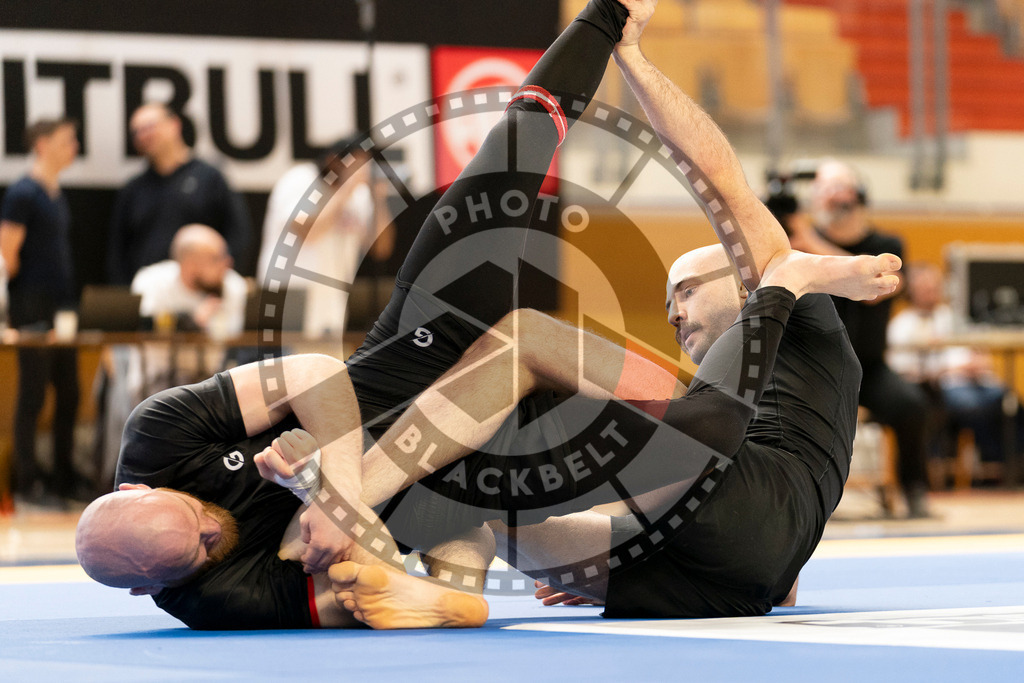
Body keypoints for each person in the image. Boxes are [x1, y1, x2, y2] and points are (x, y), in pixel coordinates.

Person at [76, 0, 900, 628]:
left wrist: (340, 491)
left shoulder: (159, 435)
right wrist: (360, 525)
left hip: (415, 349)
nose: (220, 530)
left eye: (685, 293)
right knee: (490, 480)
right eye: (204, 547)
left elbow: (319, 377)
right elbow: (342, 589)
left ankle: (607, 11)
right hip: (470, 468)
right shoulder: (209, 594)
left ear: (154, 486)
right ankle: (451, 588)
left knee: (509, 160)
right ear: (159, 585)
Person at [785, 158, 931, 518]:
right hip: (819, 367)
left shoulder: (886, 242)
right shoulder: (799, 245)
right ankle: (799, 500)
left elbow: (875, 287)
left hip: (870, 368)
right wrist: (798, 236)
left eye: (842, 187)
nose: (835, 197)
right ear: (815, 199)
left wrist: (809, 237)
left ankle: (914, 492)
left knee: (911, 406)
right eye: (826, 190)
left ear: (860, 193)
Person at [1, 117, 84, 503]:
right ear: (42, 144)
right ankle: (28, 478)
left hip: (59, 306)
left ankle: (64, 474)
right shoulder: (23, 193)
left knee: (68, 390)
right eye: (67, 140)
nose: (74, 147)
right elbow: (7, 256)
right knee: (33, 392)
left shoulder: (55, 193)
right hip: (31, 303)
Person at [888, 262, 1023, 474]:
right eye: (925, 288)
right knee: (971, 406)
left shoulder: (955, 317)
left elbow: (979, 349)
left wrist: (978, 364)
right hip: (943, 387)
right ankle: (979, 465)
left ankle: (1012, 466)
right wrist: (948, 370)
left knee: (1011, 403)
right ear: (912, 292)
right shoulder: (902, 324)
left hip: (978, 381)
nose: (931, 292)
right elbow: (901, 369)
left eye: (935, 287)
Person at [258, 137, 393, 338]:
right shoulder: (300, 180)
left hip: (332, 299)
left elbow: (381, 249)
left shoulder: (359, 195)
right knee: (287, 365)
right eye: (358, 164)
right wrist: (347, 188)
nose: (362, 172)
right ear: (333, 160)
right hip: (290, 295)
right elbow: (309, 233)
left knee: (324, 366)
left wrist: (378, 199)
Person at [107, 103, 251, 285]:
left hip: (201, 294)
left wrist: (220, 284)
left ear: (174, 124)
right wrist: (126, 298)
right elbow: (117, 253)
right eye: (137, 132)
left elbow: (238, 234)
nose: (144, 135)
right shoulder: (133, 189)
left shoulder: (209, 178)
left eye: (149, 127)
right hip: (150, 298)